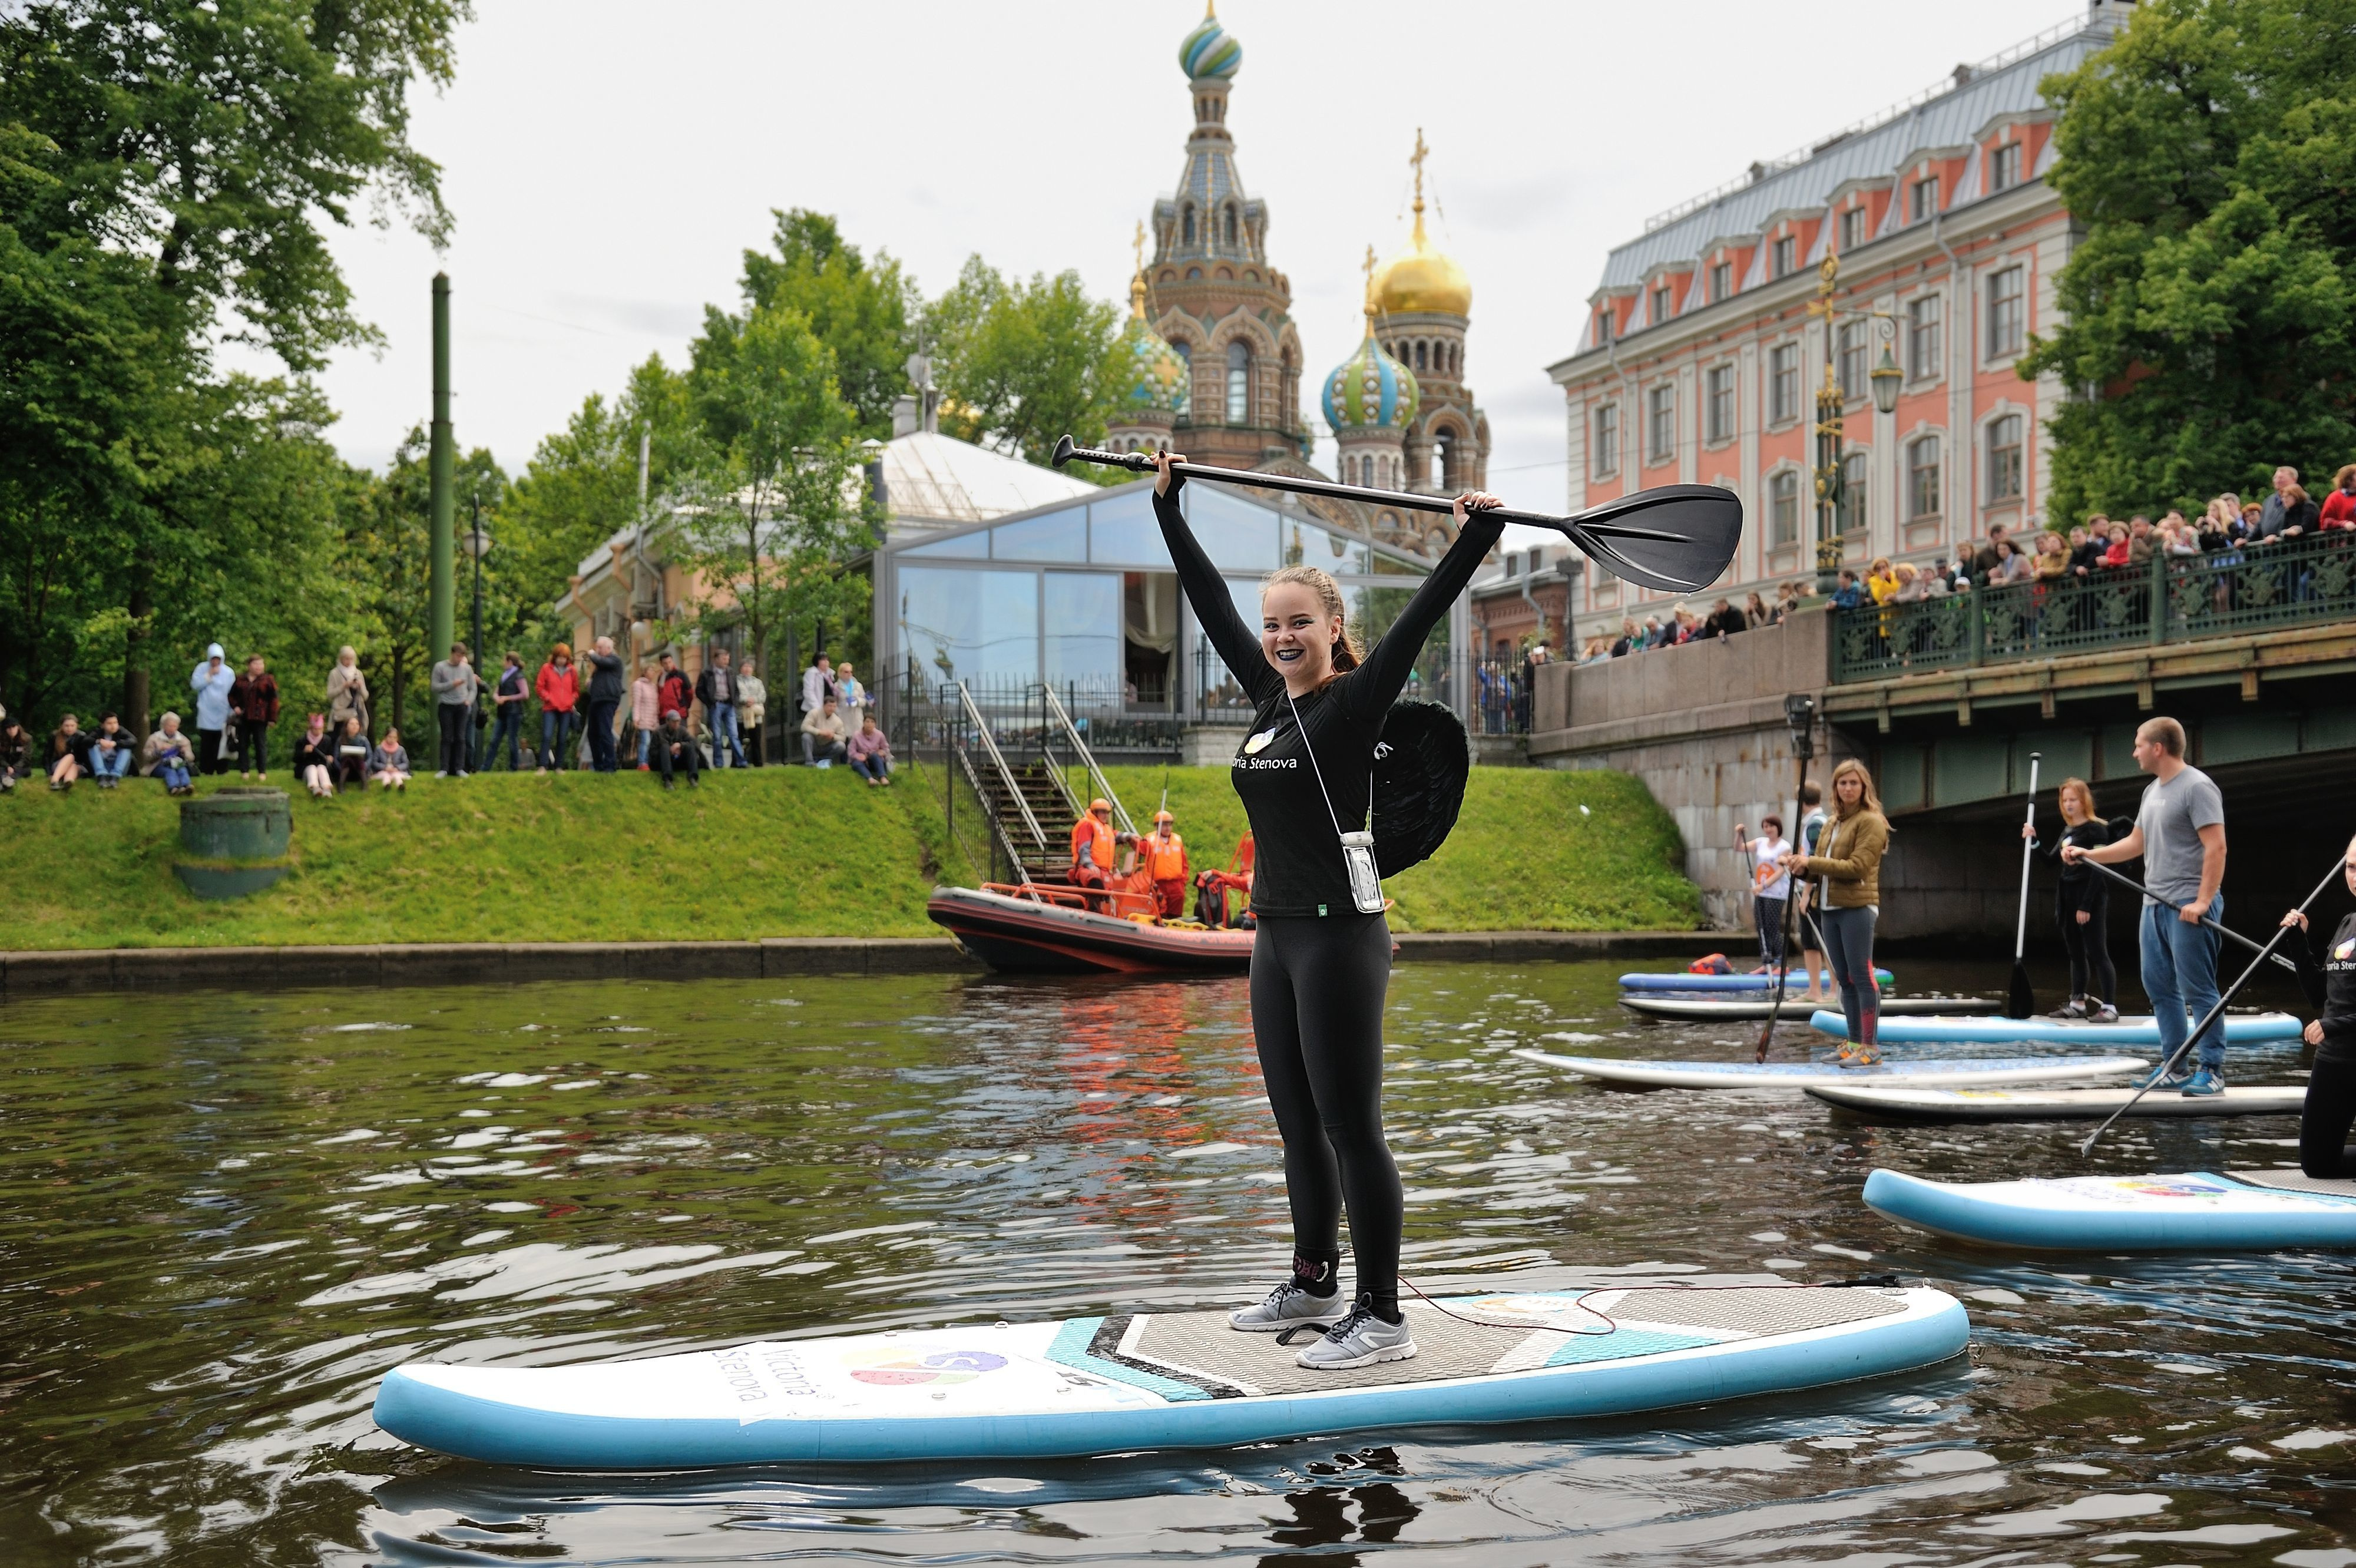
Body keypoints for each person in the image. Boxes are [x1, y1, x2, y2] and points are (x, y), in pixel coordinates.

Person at [1153, 447, 1505, 1372]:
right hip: (1275, 937)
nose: (1278, 635)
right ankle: (1313, 1280)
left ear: (1333, 625)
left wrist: (1477, 538)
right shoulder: (1269, 699)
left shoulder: (1353, 704)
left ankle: (1382, 1315)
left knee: (1353, 1128)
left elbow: (1423, 621)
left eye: (1297, 621)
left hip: (1342, 940)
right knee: (1295, 1123)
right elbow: (1207, 603)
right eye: (1273, 623)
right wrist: (1169, 507)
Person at [2064, 716, 2227, 1093]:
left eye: (2138, 744)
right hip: (2153, 904)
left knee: (2198, 990)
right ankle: (2174, 1066)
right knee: (2159, 988)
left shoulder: (2198, 787)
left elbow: (2216, 847)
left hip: (2189, 905)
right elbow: (2137, 844)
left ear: (2158, 748)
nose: (2134, 751)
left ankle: (2213, 1070)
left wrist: (2203, 901)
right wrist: (2090, 854)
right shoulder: (2152, 791)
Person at [1779, 759, 1890, 1066]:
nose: (1848, 788)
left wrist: (1810, 862)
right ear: (1836, 789)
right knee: (1845, 979)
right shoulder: (1831, 823)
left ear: (1864, 786)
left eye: (1854, 783)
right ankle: (1853, 1043)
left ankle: (1871, 1048)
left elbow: (1857, 868)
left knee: (1863, 978)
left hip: (1856, 909)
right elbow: (1818, 871)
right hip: (1829, 909)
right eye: (1843, 783)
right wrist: (1798, 867)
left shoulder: (1871, 822)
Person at [2284, 833, 2356, 1178]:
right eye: (2352, 868)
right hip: (2335, 1060)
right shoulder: (2348, 923)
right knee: (2316, 1165)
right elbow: (2319, 996)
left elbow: (2333, 1017)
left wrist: (2332, 1026)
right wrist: (2299, 942)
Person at [2025, 778, 2122, 1021]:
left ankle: (2110, 1007)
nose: (2068, 804)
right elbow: (2050, 862)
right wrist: (2034, 841)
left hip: (2089, 897)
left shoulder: (2096, 829)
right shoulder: (2068, 831)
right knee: (2076, 953)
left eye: (2073, 800)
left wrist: (2086, 906)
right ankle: (2077, 1003)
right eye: (2065, 800)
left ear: (2083, 801)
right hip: (2067, 898)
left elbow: (2100, 869)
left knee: (2098, 951)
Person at [1733, 814, 1793, 974]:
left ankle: (1782, 964)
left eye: (1771, 826)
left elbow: (1781, 870)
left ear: (1778, 828)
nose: (1768, 830)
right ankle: (1766, 963)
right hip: (1761, 893)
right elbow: (1739, 848)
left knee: (1773, 928)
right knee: (1761, 927)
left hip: (1776, 893)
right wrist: (1739, 834)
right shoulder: (1760, 843)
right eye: (1765, 827)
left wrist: (1763, 885)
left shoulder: (1784, 846)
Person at [1794, 782, 1828, 1003]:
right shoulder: (1823, 821)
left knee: (1812, 942)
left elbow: (1815, 862)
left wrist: (1806, 894)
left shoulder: (1814, 825)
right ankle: (1828, 990)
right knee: (1822, 942)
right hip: (1819, 890)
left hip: (1813, 890)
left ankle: (1816, 991)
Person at [1067, 796, 1129, 904]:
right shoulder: (1087, 825)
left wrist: (1130, 836)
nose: (1106, 815)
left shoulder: (1106, 828)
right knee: (1095, 881)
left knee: (1107, 887)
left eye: (1107, 812)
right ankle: (1093, 909)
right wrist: (1090, 865)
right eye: (1103, 812)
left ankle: (1099, 911)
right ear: (1095, 813)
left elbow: (1116, 835)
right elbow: (1083, 848)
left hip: (1104, 870)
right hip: (1088, 867)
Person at [228, 654, 279, 781]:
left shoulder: (268, 680)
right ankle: (244, 770)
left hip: (260, 718)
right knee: (243, 744)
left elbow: (274, 700)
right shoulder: (241, 679)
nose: (259, 667)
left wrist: (272, 718)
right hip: (244, 717)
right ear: (249, 665)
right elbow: (231, 695)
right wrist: (236, 707)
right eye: (256, 664)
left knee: (260, 744)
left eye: (261, 664)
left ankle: (262, 771)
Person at [430, 642, 477, 778]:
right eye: (457, 656)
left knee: (461, 737)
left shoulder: (467, 669)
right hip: (446, 705)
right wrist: (452, 684)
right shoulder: (440, 667)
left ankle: (460, 768)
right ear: (452, 654)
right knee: (447, 737)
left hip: (462, 705)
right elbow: (435, 687)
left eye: (462, 657)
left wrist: (469, 700)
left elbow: (473, 688)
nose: (459, 659)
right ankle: (444, 768)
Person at [696, 647, 747, 769]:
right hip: (716, 705)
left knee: (734, 735)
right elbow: (699, 691)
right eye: (724, 659)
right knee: (717, 736)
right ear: (716, 659)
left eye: (728, 659)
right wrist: (709, 702)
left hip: (729, 705)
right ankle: (718, 763)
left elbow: (736, 690)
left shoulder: (731, 672)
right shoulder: (707, 673)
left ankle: (741, 761)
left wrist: (734, 701)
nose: (726, 661)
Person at [189, 643, 235, 775]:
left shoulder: (228, 672)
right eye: (213, 659)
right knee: (207, 742)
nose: (215, 661)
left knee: (222, 742)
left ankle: (222, 769)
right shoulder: (202, 668)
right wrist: (209, 675)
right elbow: (196, 685)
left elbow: (232, 692)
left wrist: (231, 711)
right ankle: (206, 769)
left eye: (218, 659)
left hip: (223, 711)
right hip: (206, 711)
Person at [583, 636, 626, 773]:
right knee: (593, 734)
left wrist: (592, 654)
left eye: (600, 648)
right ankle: (598, 765)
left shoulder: (615, 660)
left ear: (609, 648)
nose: (598, 650)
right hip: (597, 700)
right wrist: (591, 684)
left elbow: (600, 661)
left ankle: (610, 765)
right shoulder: (600, 667)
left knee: (605, 732)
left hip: (608, 700)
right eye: (597, 648)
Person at [535, 643, 580, 772]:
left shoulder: (572, 671)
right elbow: (540, 687)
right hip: (550, 708)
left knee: (562, 737)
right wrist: (548, 698)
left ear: (568, 659)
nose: (561, 660)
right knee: (547, 735)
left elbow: (576, 690)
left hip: (566, 709)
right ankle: (543, 765)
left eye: (564, 658)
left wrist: (572, 699)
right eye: (559, 657)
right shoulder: (546, 669)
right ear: (555, 657)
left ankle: (559, 766)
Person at [1139, 808, 1190, 918]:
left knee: (1176, 914)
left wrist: (1183, 882)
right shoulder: (1149, 841)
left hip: (1176, 884)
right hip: (1158, 884)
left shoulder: (1177, 840)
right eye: (1164, 825)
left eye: (1169, 825)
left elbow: (1184, 863)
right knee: (1160, 911)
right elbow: (1140, 849)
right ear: (1157, 826)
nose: (1167, 828)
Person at [488, 651, 528, 770]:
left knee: (512, 740)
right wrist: (497, 698)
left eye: (504, 660)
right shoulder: (504, 675)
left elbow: (525, 694)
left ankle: (514, 767)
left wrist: (508, 698)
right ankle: (486, 767)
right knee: (494, 740)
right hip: (502, 712)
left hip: (514, 712)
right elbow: (497, 691)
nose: (503, 663)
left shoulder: (518, 675)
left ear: (509, 662)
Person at [143, 713, 196, 795]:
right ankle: (174, 789)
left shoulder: (183, 740)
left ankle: (187, 786)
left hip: (178, 763)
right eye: (170, 726)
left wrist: (184, 752)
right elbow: (147, 756)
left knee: (182, 769)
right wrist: (159, 751)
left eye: (175, 726)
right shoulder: (154, 738)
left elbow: (191, 758)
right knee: (170, 772)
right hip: (159, 765)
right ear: (163, 726)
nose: (172, 729)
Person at [653, 707, 701, 789]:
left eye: (678, 721)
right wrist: (668, 751)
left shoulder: (682, 730)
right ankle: (667, 780)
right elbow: (652, 752)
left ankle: (692, 778)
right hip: (661, 762)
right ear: (667, 721)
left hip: (678, 760)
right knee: (664, 747)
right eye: (674, 721)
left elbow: (695, 743)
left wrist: (680, 745)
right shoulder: (658, 732)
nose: (676, 724)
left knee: (690, 747)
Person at [326, 646, 370, 737]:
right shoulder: (334, 673)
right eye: (346, 659)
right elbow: (330, 694)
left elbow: (366, 696)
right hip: (341, 715)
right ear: (341, 658)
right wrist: (344, 686)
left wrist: (361, 686)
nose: (349, 662)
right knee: (339, 740)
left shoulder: (358, 673)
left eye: (351, 659)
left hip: (357, 713)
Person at [290, 714, 337, 800]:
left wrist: (330, 758)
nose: (318, 732)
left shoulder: (327, 740)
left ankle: (326, 788)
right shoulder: (302, 740)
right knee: (312, 768)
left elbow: (332, 755)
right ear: (311, 729)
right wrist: (304, 752)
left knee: (321, 768)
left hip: (322, 766)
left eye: (320, 729)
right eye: (315, 729)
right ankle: (315, 788)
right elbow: (295, 759)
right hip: (305, 767)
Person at [81, 713, 133, 789]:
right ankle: (101, 776)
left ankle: (115, 777)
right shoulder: (97, 732)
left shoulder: (121, 731)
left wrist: (115, 744)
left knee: (126, 748)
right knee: (93, 746)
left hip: (118, 767)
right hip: (101, 765)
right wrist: (99, 742)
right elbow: (85, 741)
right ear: (102, 725)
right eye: (109, 723)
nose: (113, 726)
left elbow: (133, 741)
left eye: (115, 723)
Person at [799, 694, 849, 768]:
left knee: (841, 746)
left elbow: (843, 737)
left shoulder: (838, 721)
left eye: (834, 707)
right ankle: (809, 763)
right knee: (806, 736)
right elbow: (804, 727)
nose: (832, 709)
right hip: (814, 744)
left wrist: (833, 736)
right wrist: (820, 732)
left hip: (827, 746)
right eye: (830, 706)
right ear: (824, 705)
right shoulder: (814, 713)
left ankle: (823, 761)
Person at [629, 661, 661, 770]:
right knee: (645, 741)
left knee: (651, 742)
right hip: (643, 718)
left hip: (652, 719)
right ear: (645, 671)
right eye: (650, 670)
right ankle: (642, 763)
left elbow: (655, 705)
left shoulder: (653, 686)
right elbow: (637, 703)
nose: (653, 673)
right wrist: (636, 718)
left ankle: (648, 762)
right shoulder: (638, 685)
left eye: (653, 670)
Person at [846, 712, 892, 785]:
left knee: (876, 756)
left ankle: (883, 778)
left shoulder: (880, 735)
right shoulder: (856, 735)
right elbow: (851, 751)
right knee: (856, 763)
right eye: (867, 722)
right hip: (862, 761)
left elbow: (886, 749)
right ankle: (870, 779)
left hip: (875, 760)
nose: (869, 724)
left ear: (875, 724)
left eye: (872, 722)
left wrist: (883, 752)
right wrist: (858, 756)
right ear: (863, 723)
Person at [737, 656, 768, 766]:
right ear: (741, 668)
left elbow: (763, 696)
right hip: (740, 715)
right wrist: (745, 700)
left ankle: (758, 763)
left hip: (755, 715)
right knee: (738, 739)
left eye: (749, 666)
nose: (747, 669)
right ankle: (738, 762)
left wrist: (754, 700)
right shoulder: (736, 681)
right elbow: (735, 695)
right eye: (745, 666)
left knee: (756, 740)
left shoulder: (758, 682)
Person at [48, 714, 87, 790]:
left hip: (77, 766)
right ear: (61, 726)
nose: (70, 728)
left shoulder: (82, 736)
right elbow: (47, 756)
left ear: (77, 726)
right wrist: (49, 773)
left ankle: (68, 782)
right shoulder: (55, 736)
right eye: (67, 726)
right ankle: (54, 780)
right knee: (70, 756)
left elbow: (85, 756)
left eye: (72, 726)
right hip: (59, 765)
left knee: (74, 766)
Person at [801, 653, 836, 735]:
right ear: (817, 661)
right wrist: (818, 708)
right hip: (815, 709)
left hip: (828, 708)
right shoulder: (811, 673)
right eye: (823, 660)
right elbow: (809, 692)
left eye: (827, 660)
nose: (826, 662)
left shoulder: (830, 674)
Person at [367, 725, 411, 790]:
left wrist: (397, 768)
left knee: (397, 776)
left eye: (394, 737)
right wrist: (385, 768)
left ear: (397, 739)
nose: (392, 739)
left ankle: (400, 785)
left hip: (396, 771)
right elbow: (374, 763)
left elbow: (406, 763)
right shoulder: (379, 749)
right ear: (386, 737)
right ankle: (386, 785)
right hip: (383, 771)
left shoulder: (401, 749)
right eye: (390, 737)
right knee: (386, 776)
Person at [333, 715, 369, 789]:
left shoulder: (364, 740)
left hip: (360, 770)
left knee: (358, 758)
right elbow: (336, 758)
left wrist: (365, 766)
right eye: (352, 724)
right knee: (348, 758)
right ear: (346, 727)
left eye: (357, 724)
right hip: (344, 770)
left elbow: (370, 756)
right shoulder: (340, 740)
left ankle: (365, 784)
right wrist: (340, 768)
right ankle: (341, 785)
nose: (355, 726)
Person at [0, 716, 31, 792]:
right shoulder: (2, 739)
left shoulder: (27, 739)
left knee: (24, 771)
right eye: (9, 728)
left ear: (18, 727)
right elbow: (1, 756)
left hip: (21, 767)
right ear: (5, 730)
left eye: (14, 727)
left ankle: (8, 780)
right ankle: (4, 781)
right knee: (2, 771)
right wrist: (8, 766)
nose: (12, 730)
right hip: (6, 766)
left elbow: (25, 758)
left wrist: (14, 767)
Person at [2321, 465, 2356, 532]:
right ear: (2349, 480)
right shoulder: (2335, 497)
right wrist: (2344, 524)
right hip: (2346, 539)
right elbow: (2325, 523)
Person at [836, 660, 867, 727]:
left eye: (851, 672)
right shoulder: (836, 686)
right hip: (843, 716)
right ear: (840, 673)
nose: (849, 674)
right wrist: (838, 713)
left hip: (856, 716)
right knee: (843, 736)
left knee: (857, 736)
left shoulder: (858, 685)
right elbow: (834, 703)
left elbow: (864, 700)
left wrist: (857, 701)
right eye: (846, 672)